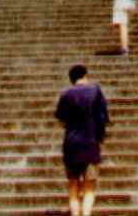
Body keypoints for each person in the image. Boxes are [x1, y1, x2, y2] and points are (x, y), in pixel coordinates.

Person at [55, 64, 109, 216]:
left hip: (71, 144)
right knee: (89, 187)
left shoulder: (66, 94)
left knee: (73, 185)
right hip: (90, 144)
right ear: (85, 75)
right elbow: (103, 117)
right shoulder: (95, 91)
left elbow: (61, 121)